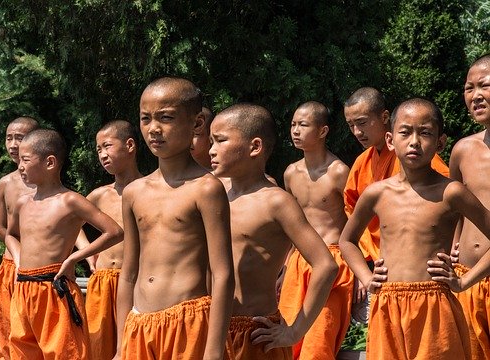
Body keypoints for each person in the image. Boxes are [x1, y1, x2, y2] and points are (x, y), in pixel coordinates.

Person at [339, 98, 490, 360]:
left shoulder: (451, 192)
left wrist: (464, 281)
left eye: (426, 133)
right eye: (405, 132)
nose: (414, 141)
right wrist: (366, 277)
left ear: (440, 143)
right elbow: (347, 241)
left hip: (435, 306)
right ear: (390, 139)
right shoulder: (377, 193)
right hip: (387, 305)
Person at [113, 77, 234, 360]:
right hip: (139, 325)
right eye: (145, 119)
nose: (154, 129)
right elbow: (129, 273)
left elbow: (223, 273)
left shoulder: (206, 188)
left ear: (196, 124)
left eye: (166, 118)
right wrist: (121, 346)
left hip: (188, 324)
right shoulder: (133, 192)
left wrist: (214, 350)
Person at [208, 103, 337, 359]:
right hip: (210, 329)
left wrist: (295, 331)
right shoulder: (212, 194)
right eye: (211, 141)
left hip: (255, 333)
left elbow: (326, 265)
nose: (212, 150)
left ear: (254, 147)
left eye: (220, 141)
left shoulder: (275, 202)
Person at [6, 129, 123, 360]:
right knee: (21, 352)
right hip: (23, 288)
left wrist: (75, 257)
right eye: (19, 160)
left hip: (54, 287)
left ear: (50, 162)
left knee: (65, 352)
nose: (20, 166)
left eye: (26, 160)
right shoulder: (22, 203)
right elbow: (10, 235)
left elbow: (114, 231)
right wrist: (18, 261)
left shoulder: (70, 200)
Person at [343, 87, 450, 308]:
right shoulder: (362, 162)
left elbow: (449, 209)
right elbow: (351, 210)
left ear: (384, 118)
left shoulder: (418, 161)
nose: (356, 132)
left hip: (424, 276)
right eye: (351, 125)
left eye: (362, 122)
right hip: (382, 268)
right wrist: (365, 269)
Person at [279, 101, 354, 359]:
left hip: (333, 260)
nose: (295, 131)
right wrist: (285, 267)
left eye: (303, 124)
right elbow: (292, 227)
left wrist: (360, 264)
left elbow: (356, 222)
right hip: (299, 260)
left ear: (322, 131)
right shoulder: (290, 173)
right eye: (293, 125)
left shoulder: (339, 172)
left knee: (318, 341)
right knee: (286, 335)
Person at [84, 120, 142, 360]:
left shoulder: (147, 189)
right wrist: (87, 251)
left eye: (107, 146)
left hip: (136, 280)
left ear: (130, 145)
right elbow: (72, 223)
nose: (102, 155)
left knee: (132, 347)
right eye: (98, 150)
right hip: (103, 279)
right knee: (96, 347)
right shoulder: (100, 194)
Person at [447, 53, 490, 360]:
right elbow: (454, 209)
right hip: (464, 279)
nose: (475, 96)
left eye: (484, 86)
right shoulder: (462, 150)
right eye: (468, 88)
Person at [0, 116, 38, 360]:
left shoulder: (47, 182)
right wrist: (19, 254)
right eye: (8, 138)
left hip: (41, 269)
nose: (12, 144)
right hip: (12, 266)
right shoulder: (5, 183)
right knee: (9, 332)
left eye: (19, 138)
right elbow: (1, 228)